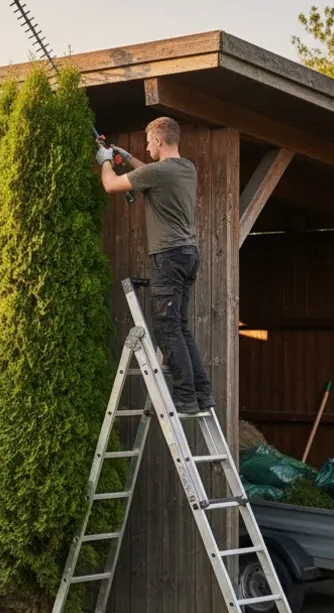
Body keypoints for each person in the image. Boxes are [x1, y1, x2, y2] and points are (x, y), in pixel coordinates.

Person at [97, 116, 214, 416]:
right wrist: (127, 157)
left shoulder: (158, 172)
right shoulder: (185, 168)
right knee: (181, 326)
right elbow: (150, 173)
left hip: (168, 257)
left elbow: (110, 185)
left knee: (167, 329)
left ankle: (185, 397)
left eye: (149, 141)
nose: (147, 146)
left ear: (159, 140)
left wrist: (105, 160)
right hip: (188, 255)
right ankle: (202, 393)